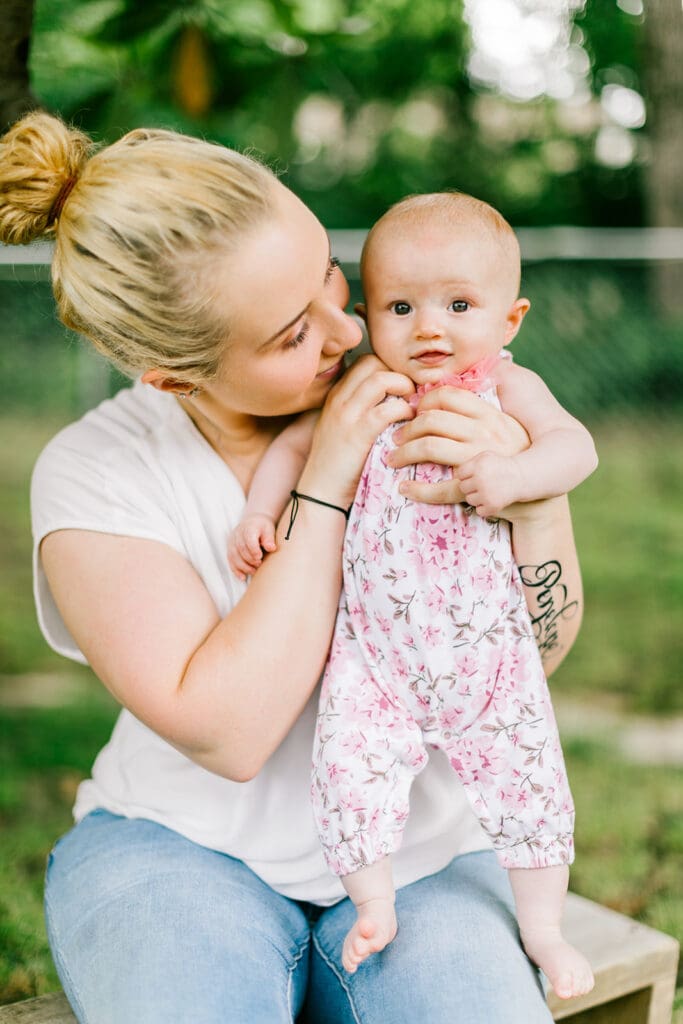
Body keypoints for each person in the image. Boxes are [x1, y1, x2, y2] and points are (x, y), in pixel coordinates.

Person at [1, 111, 586, 1024]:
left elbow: (529, 657)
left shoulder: (437, 397)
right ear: (171, 375)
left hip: (426, 851)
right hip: (185, 848)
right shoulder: (100, 472)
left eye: (328, 276)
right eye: (288, 336)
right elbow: (228, 734)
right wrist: (323, 484)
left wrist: (532, 497)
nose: (347, 327)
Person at [228, 193, 597, 997]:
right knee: (349, 768)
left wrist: (517, 477)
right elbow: (296, 444)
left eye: (458, 305)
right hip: (375, 654)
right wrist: (262, 511)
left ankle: (543, 928)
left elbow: (576, 447)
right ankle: (373, 904)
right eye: (400, 307)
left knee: (529, 782)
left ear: (509, 318)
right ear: (369, 314)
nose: (428, 328)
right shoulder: (369, 387)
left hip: (488, 654)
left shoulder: (506, 387)